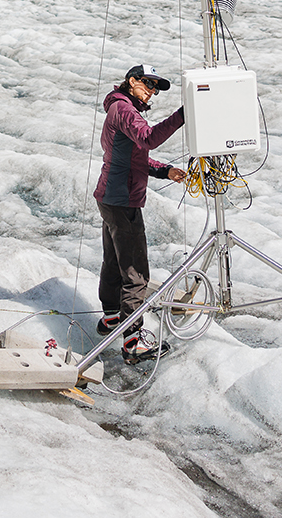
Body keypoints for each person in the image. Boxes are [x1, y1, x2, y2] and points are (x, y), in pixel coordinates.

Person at [94, 63, 187, 357]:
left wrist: (165, 171)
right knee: (135, 273)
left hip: (110, 197)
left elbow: (133, 157)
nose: (152, 90)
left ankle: (111, 319)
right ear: (131, 80)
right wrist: (184, 115)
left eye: (156, 87)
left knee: (113, 262)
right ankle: (133, 343)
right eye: (147, 83)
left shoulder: (119, 108)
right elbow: (148, 139)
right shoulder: (124, 110)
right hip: (123, 201)